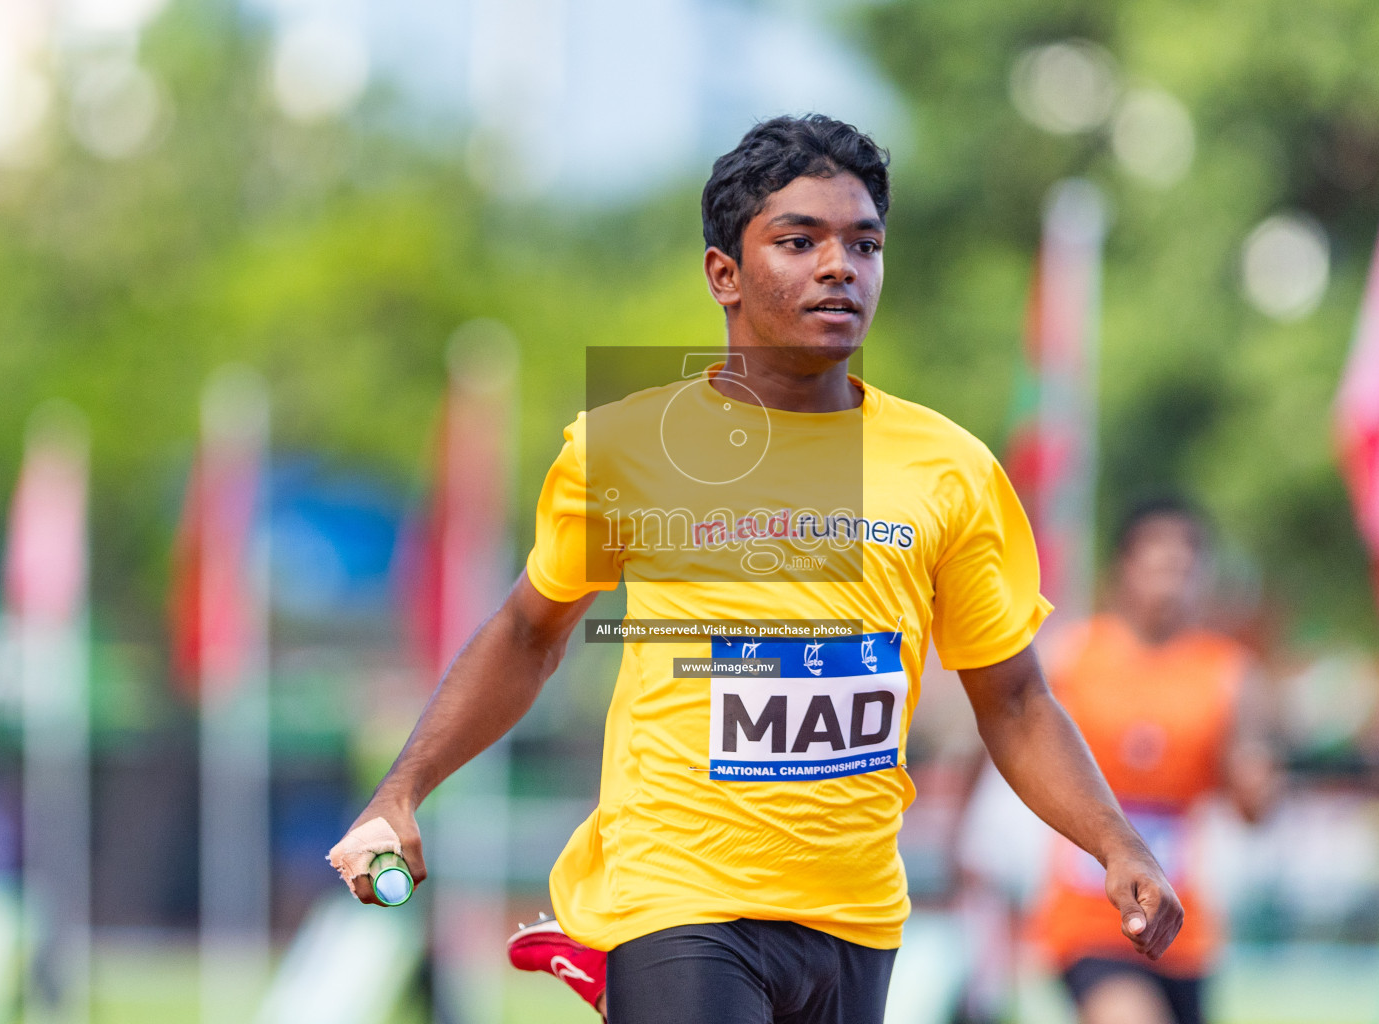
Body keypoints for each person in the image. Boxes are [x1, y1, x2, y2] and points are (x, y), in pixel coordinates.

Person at [328, 114, 1183, 1024]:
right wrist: (402, 787)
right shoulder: (626, 449)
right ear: (723, 275)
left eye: (864, 243)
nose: (838, 266)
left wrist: (1115, 844)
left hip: (854, 913)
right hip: (679, 893)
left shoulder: (950, 469)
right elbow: (528, 632)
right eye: (798, 240)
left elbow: (1012, 699)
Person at [1027, 497, 1277, 1024]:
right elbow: (1020, 747)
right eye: (1158, 562)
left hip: (1183, 922)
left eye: (1186, 566)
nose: (1171, 579)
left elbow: (1254, 805)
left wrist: (1255, 781)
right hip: (1089, 914)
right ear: (1125, 567)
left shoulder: (1228, 673)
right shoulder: (1071, 657)